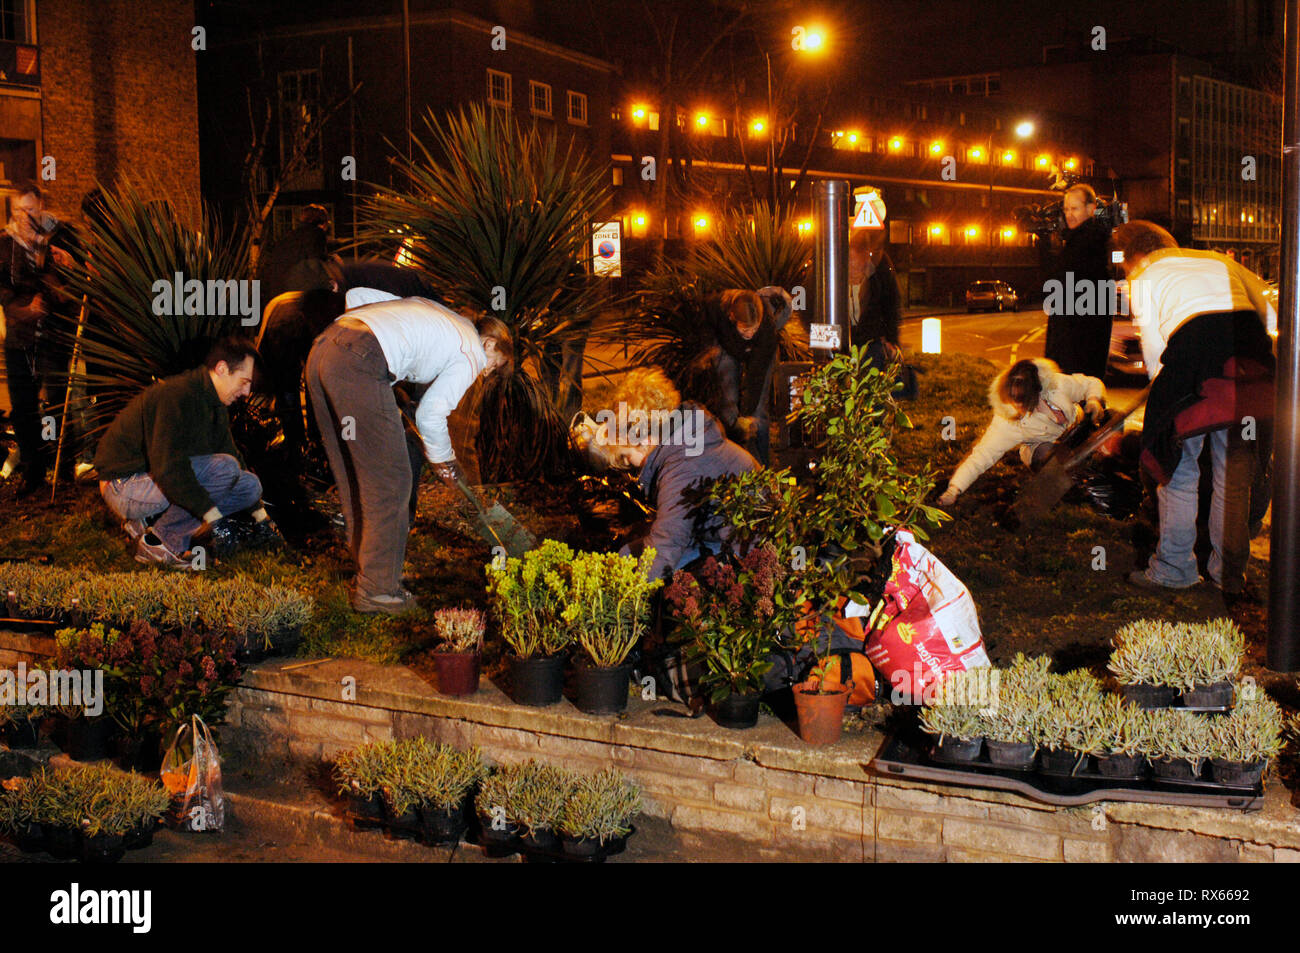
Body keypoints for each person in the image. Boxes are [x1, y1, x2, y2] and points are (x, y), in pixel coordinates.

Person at [304, 296, 512, 614]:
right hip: (359, 360)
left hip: (324, 348)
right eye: (493, 365)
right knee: (392, 479)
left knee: (355, 472)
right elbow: (431, 414)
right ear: (490, 342)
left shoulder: (443, 314)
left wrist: (391, 375)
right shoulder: (471, 350)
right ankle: (378, 591)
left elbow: (360, 295)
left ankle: (371, 569)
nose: (484, 375)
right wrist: (444, 460)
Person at [1111, 221, 1276, 604]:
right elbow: (1266, 306)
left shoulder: (1145, 276)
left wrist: (1165, 401)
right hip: (1250, 359)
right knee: (1233, 478)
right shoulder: (1220, 261)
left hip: (1192, 362)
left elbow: (1153, 348)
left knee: (1178, 472)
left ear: (1136, 257)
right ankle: (1229, 576)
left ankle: (1174, 570)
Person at [94, 337, 275, 569]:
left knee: (249, 484)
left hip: (151, 481)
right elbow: (168, 470)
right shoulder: (177, 396)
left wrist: (261, 516)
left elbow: (231, 453)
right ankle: (159, 543)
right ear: (222, 369)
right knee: (224, 469)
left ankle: (149, 522)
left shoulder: (215, 403)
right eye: (243, 382)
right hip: (123, 485)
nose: (247, 392)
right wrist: (213, 517)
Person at [598, 367, 757, 582]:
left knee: (655, 574)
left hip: (745, 550)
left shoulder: (681, 466)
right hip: (717, 533)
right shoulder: (684, 436)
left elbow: (668, 542)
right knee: (628, 554)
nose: (629, 465)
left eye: (626, 456)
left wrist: (632, 597)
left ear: (644, 441)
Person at [936, 357, 1106, 506]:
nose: (1018, 407)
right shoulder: (1008, 420)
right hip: (1042, 448)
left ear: (1038, 390)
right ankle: (1077, 487)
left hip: (1076, 431)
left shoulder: (1056, 385)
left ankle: (1094, 460)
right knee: (1047, 455)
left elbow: (1091, 383)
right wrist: (954, 489)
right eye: (1015, 401)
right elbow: (982, 455)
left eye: (1023, 401)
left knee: (1111, 423)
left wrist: (1093, 400)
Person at [0, 181, 78, 496]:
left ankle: (64, 468)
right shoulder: (4, 246)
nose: (25, 217)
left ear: (40, 209)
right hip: (20, 339)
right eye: (20, 210)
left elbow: (73, 285)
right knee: (23, 407)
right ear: (12, 211)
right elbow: (3, 292)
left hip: (54, 336)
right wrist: (23, 308)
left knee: (59, 403)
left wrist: (65, 263)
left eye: (31, 210)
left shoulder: (59, 238)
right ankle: (33, 472)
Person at [708, 286, 792, 465]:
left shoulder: (766, 330)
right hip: (728, 346)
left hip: (758, 353)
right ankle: (730, 460)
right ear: (733, 318)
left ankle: (762, 465)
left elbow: (757, 375)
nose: (750, 334)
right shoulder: (718, 310)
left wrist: (748, 414)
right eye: (745, 330)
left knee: (758, 412)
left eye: (753, 330)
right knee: (728, 405)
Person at [1043, 184, 1113, 379]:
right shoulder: (1080, 239)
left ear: (1091, 209)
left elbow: (1063, 285)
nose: (1069, 214)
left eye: (1074, 209)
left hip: (1077, 343)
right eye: (1066, 209)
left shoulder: (1089, 242)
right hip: (1076, 339)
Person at [257, 204, 332, 305]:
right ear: (323, 222)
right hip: (298, 290)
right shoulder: (316, 234)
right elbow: (314, 263)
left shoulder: (290, 235)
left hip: (277, 289)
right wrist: (328, 282)